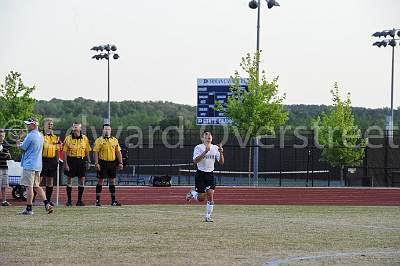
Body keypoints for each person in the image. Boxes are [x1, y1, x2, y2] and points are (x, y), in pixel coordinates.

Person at [185, 130, 224, 222]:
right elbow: (195, 161)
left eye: (210, 135)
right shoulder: (198, 147)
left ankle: (208, 216)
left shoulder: (215, 148)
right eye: (206, 135)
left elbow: (221, 162)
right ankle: (193, 193)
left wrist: (221, 152)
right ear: (202, 138)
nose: (208, 136)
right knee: (201, 198)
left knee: (210, 194)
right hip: (200, 174)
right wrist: (205, 152)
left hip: (210, 174)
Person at [17, 118, 54, 215]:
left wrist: (19, 139)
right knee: (37, 186)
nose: (27, 126)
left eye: (29, 124)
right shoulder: (41, 135)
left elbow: (22, 148)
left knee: (29, 187)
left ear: (34, 125)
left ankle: (29, 209)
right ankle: (47, 204)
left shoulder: (30, 136)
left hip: (29, 164)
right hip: (38, 164)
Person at [93, 124, 123, 207]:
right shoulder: (99, 140)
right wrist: (96, 163)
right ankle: (97, 200)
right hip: (102, 162)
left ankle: (113, 200)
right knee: (100, 180)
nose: (107, 130)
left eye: (108, 129)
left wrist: (120, 162)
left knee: (112, 181)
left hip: (112, 163)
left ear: (111, 130)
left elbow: (118, 152)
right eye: (105, 129)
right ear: (102, 130)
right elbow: (95, 152)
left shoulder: (114, 140)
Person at [63, 122, 91, 206]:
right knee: (69, 180)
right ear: (72, 128)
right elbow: (64, 152)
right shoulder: (68, 138)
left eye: (77, 127)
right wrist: (65, 164)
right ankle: (69, 201)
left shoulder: (85, 138)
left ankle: (79, 200)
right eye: (74, 127)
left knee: (81, 180)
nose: (75, 128)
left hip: (81, 160)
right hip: (71, 160)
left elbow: (87, 150)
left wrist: (88, 161)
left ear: (80, 129)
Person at [40, 118, 60, 205]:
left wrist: (57, 160)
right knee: (38, 181)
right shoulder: (40, 136)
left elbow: (58, 150)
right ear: (44, 125)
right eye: (48, 124)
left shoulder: (55, 137)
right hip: (42, 160)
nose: (50, 126)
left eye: (51, 124)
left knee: (50, 181)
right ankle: (31, 200)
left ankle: (48, 200)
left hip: (52, 160)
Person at [0, 129, 12, 206]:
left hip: (4, 167)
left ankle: (4, 201)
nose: (2, 137)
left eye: (3, 136)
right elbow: (5, 155)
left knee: (4, 185)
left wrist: (5, 154)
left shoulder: (6, 145)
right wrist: (4, 154)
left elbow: (9, 156)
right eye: (0, 136)